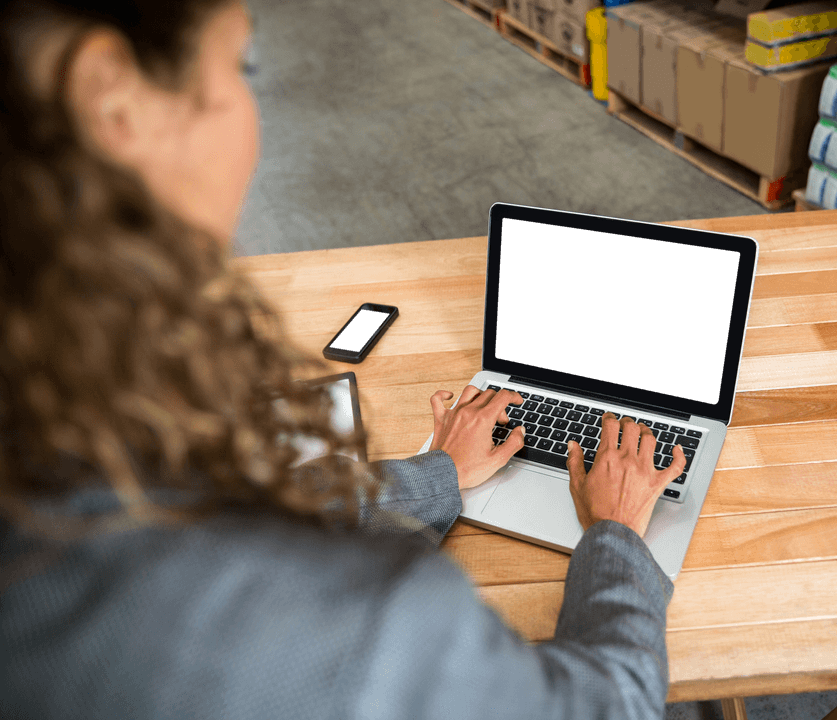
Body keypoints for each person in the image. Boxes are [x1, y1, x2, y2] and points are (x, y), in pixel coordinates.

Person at [0, 1, 689, 718]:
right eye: (241, 67)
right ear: (114, 101)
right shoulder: (356, 631)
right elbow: (611, 706)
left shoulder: (64, 429)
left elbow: (243, 515)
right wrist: (613, 534)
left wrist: (438, 477)